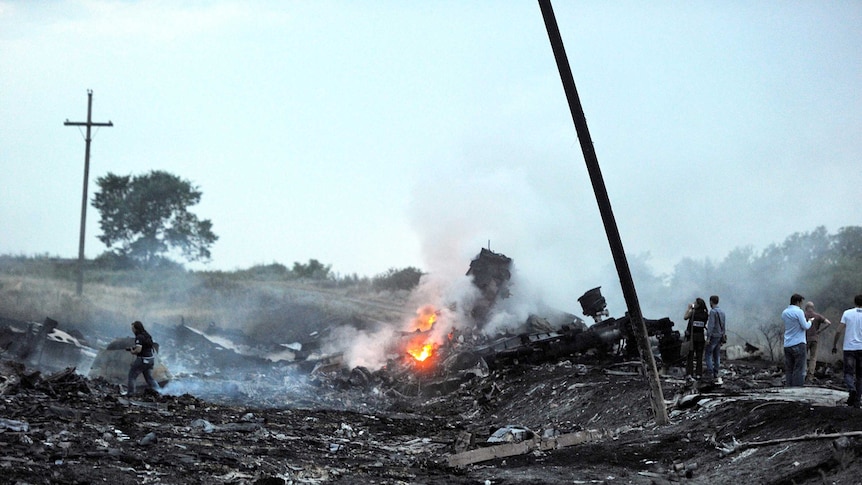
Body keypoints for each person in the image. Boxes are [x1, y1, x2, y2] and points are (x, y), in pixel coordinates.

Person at [831, 294, 862, 407]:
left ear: (854, 302)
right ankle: (857, 401)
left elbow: (839, 331)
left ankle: (851, 389)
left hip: (849, 348)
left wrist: (834, 345)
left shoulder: (847, 313)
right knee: (860, 376)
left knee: (848, 373)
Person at [781, 293, 811, 387]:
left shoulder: (784, 312)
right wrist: (810, 321)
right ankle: (797, 389)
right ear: (798, 302)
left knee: (789, 368)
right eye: (801, 302)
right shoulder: (799, 312)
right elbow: (805, 326)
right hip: (798, 343)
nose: (801, 304)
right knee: (799, 369)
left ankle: (789, 388)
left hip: (787, 343)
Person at [126, 320, 159, 395]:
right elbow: (146, 346)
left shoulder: (139, 337)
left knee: (132, 376)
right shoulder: (147, 335)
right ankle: (159, 392)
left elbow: (138, 350)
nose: (132, 330)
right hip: (150, 360)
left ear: (136, 329)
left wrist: (132, 351)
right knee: (149, 378)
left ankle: (130, 394)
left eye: (133, 328)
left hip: (143, 360)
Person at [804, 301, 832, 381]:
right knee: (813, 358)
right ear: (813, 308)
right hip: (814, 339)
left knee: (803, 357)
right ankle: (810, 375)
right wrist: (819, 331)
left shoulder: (803, 315)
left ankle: (804, 372)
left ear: (806, 308)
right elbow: (828, 323)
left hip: (805, 339)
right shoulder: (818, 316)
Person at [684, 297, 709, 380]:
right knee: (699, 357)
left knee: (690, 356)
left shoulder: (693, 312)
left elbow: (685, 317)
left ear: (697, 305)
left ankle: (689, 373)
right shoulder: (705, 314)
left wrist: (689, 308)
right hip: (701, 337)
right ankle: (699, 374)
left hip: (692, 337)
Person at [704, 295, 726, 384]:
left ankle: (710, 372)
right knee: (717, 355)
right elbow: (723, 325)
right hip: (720, 335)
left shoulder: (713, 312)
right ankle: (716, 372)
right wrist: (723, 335)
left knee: (708, 354)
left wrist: (708, 337)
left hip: (713, 336)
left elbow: (711, 326)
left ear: (711, 302)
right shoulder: (722, 312)